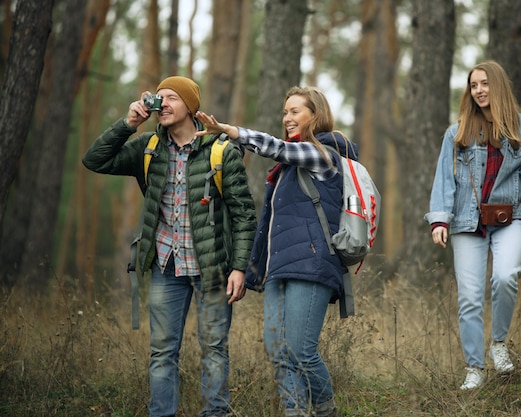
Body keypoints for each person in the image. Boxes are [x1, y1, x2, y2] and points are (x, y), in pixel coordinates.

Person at [82, 76, 257, 416]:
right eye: (157, 97)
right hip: (166, 265)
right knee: (162, 352)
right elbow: (95, 160)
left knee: (215, 349)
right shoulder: (148, 147)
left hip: (214, 269)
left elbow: (244, 216)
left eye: (171, 97)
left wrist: (239, 267)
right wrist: (128, 124)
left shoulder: (221, 151)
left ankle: (215, 414)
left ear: (191, 107)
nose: (161, 103)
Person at [195, 86, 347, 417]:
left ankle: (325, 410)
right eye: (285, 111)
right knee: (278, 350)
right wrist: (255, 268)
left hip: (311, 263)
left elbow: (276, 148)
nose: (287, 118)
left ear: (315, 116)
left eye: (295, 111)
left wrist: (231, 131)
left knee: (301, 351)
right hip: (280, 267)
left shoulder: (323, 155)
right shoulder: (284, 171)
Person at [424, 61, 521, 390]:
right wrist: (440, 219)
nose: (479, 90)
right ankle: (474, 368)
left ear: (498, 86)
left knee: (506, 275)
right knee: (469, 296)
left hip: (511, 218)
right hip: (467, 220)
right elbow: (444, 180)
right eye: (473, 85)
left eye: (484, 83)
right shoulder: (458, 132)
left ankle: (498, 344)